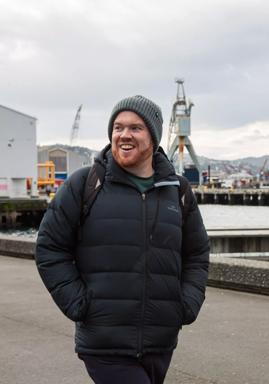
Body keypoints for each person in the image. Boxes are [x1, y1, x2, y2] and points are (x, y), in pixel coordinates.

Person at [35, 95, 210, 384]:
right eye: (118, 127)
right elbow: (50, 248)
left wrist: (185, 304)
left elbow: (197, 254)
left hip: (160, 341)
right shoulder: (85, 184)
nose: (124, 135)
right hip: (104, 341)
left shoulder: (177, 190)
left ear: (153, 136)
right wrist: (79, 304)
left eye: (135, 128)